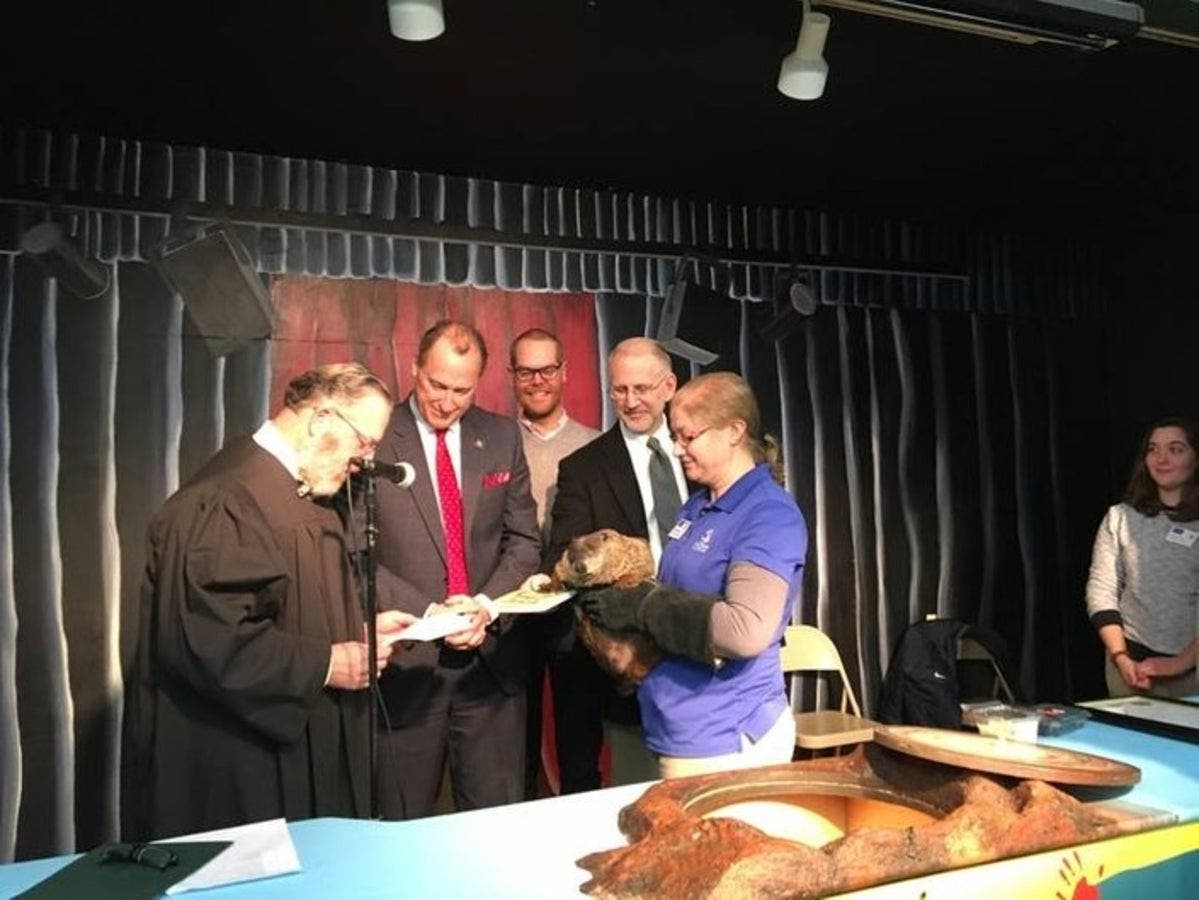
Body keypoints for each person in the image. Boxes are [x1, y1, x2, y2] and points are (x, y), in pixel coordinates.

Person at [124, 363, 416, 839]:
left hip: (288, 749)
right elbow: (210, 640)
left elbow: (287, 608)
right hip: (239, 765)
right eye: (364, 442)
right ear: (322, 418)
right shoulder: (227, 499)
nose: (365, 459)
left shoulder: (296, 491)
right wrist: (327, 662)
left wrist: (355, 629)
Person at [579, 371, 807, 779]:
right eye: (675, 437)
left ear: (734, 431)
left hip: (724, 737)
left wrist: (643, 605)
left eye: (688, 436)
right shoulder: (697, 507)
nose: (678, 448)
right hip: (672, 724)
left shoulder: (768, 515)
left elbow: (745, 630)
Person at [372, 320, 541, 819]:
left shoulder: (501, 436)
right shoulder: (376, 439)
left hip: (491, 673)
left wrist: (484, 608)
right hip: (406, 671)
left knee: (494, 829)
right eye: (436, 385)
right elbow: (356, 556)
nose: (447, 402)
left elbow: (525, 541)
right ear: (415, 368)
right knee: (399, 833)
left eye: (462, 390)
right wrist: (433, 614)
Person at [541, 337, 689, 790]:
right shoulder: (583, 467)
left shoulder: (701, 454)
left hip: (695, 643)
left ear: (669, 386)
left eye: (642, 388)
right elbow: (562, 558)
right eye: (619, 390)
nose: (630, 401)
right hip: (616, 655)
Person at [508, 328, 600, 798]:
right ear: (512, 377)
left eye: (547, 369)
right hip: (508, 613)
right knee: (512, 744)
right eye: (526, 370)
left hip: (574, 615)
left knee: (578, 740)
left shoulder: (595, 447)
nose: (537, 380)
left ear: (565, 373)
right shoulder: (494, 443)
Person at [1086, 417, 1199, 698]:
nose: (1162, 459)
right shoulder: (1120, 517)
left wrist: (1179, 663)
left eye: (1175, 449)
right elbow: (1101, 591)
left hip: (1191, 674)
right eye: (1153, 449)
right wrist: (1120, 657)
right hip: (1130, 669)